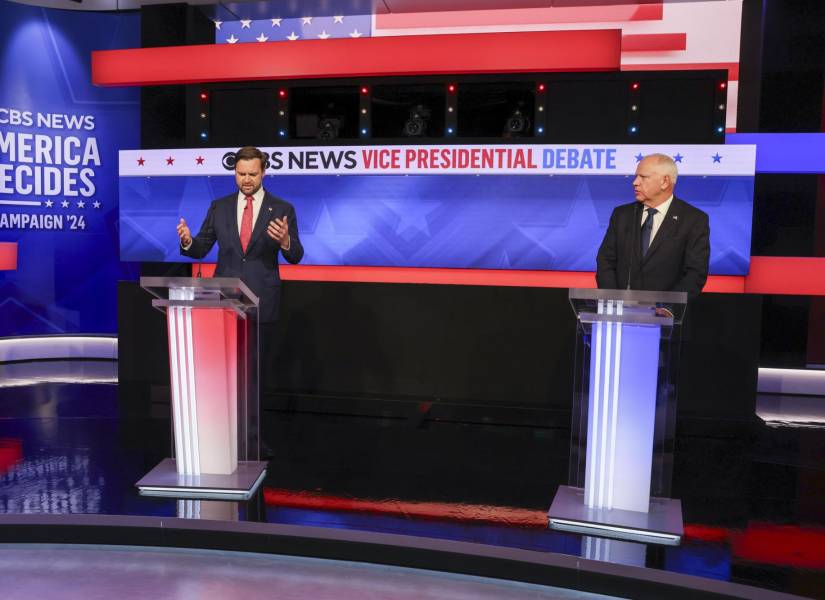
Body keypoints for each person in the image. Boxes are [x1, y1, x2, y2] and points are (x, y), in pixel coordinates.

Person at [176, 145, 304, 322]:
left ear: (263, 173)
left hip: (263, 298)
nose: (246, 180)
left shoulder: (282, 209)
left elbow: (296, 256)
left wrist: (285, 241)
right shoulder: (219, 207)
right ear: (235, 172)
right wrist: (188, 241)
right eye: (241, 174)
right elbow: (201, 249)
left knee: (260, 349)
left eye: (252, 174)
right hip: (225, 297)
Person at [596, 153, 709, 298]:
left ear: (665, 182)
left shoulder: (693, 219)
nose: (635, 182)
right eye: (636, 176)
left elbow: (695, 273)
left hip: (668, 316)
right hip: (622, 313)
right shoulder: (622, 215)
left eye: (643, 177)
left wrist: (667, 307)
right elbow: (605, 261)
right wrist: (613, 299)